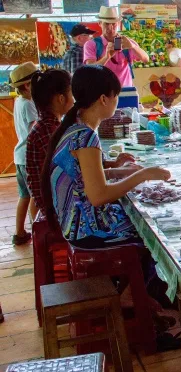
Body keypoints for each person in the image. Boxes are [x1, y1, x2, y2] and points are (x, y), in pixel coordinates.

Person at [41, 65, 170, 248]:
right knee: (156, 230)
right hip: (85, 230)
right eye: (115, 96)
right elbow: (98, 196)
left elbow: (84, 177)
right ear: (103, 99)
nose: (117, 101)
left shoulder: (75, 125)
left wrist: (118, 172)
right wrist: (142, 175)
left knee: (145, 212)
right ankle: (149, 275)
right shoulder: (85, 136)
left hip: (75, 222)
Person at [26, 70, 138, 213]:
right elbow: (97, 195)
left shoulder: (60, 126)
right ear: (61, 99)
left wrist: (113, 166)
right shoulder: (62, 132)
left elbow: (78, 168)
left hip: (62, 208)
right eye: (71, 94)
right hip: (62, 211)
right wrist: (140, 175)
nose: (74, 100)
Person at [10, 62, 39, 245]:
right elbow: (35, 131)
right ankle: (38, 232)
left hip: (20, 157)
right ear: (27, 86)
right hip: (29, 158)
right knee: (36, 196)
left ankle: (20, 232)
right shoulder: (28, 104)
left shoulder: (19, 101)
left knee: (24, 195)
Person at [83, 6, 148, 88]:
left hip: (126, 91)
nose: (110, 28)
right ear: (100, 23)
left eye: (113, 24)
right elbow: (89, 70)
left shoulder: (126, 42)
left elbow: (146, 59)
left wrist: (133, 46)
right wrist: (107, 57)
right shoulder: (91, 44)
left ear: (118, 23)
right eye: (106, 24)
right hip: (103, 93)